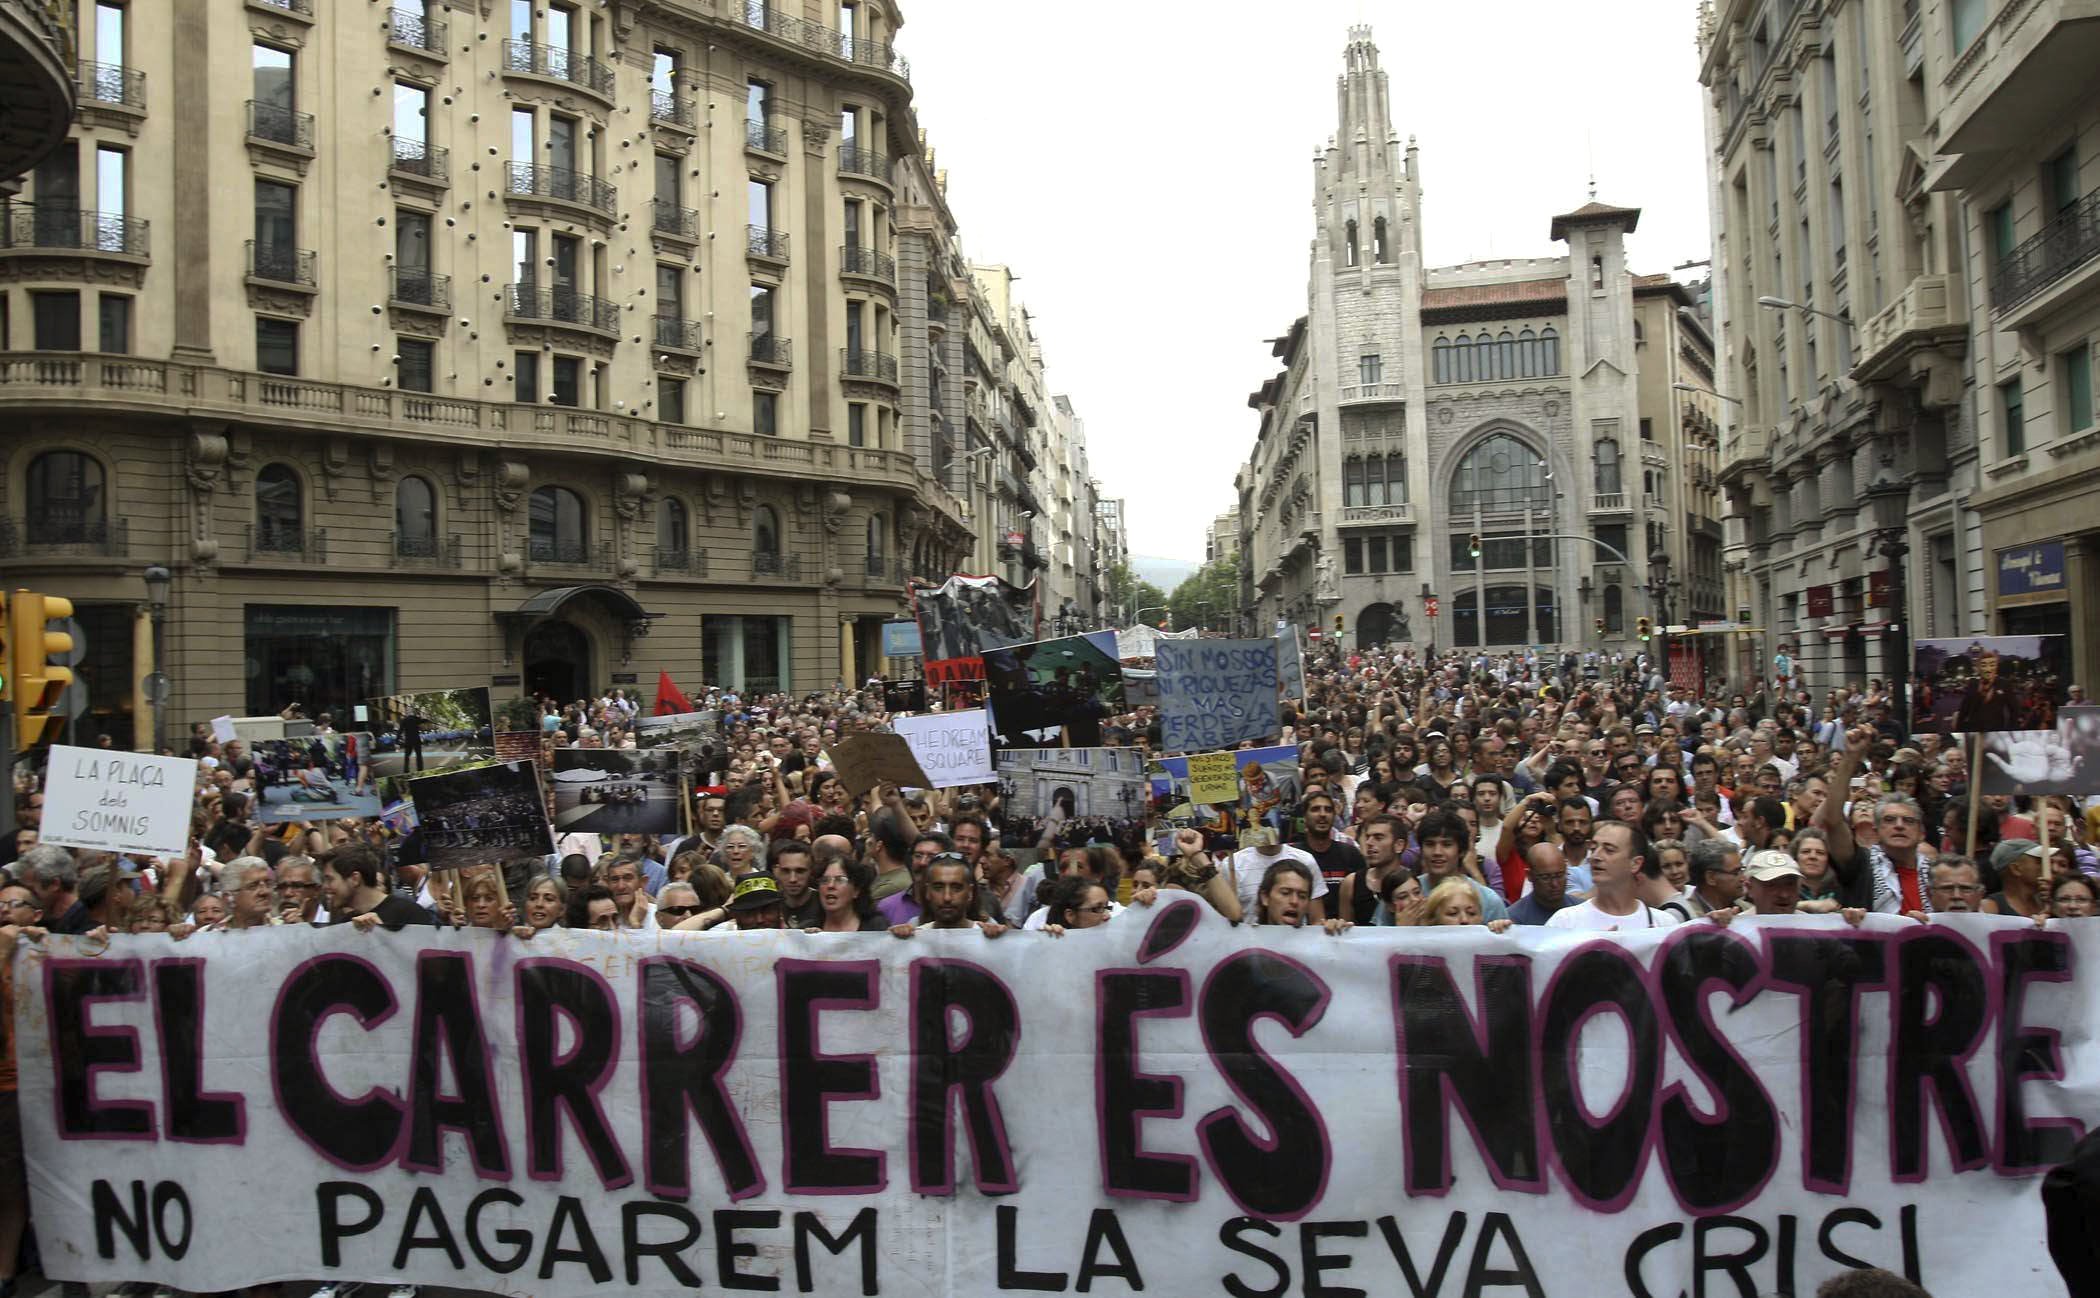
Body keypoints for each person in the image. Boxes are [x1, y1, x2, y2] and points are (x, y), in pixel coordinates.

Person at [1546, 822, 1682, 931]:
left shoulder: (1664, 924)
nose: (1595, 857)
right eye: (1593, 849)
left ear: (1635, 864)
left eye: (1609, 850)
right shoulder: (1564, 922)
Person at [322, 845, 434, 930]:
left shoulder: (409, 913)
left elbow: (428, 958)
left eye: (330, 879)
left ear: (355, 879)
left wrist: (382, 934)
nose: (325, 887)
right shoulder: (346, 924)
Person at [889, 857, 1006, 938]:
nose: (947, 897)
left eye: (956, 888)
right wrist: (895, 942)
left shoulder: (987, 935)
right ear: (927, 892)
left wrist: (1001, 941)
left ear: (970, 892)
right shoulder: (914, 936)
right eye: (938, 887)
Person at [1252, 858, 1349, 934]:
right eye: (1285, 893)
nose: (1294, 901)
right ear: (1265, 897)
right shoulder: (1246, 942)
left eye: (1302, 896)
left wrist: (1339, 937)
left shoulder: (1318, 942)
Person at [1665, 839, 1743, 922]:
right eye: (1736, 872)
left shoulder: (1747, 909)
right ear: (1711, 877)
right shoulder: (1682, 916)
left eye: (1742, 870)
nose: (1743, 879)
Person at [811, 857, 885, 932]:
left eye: (840, 880)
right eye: (824, 880)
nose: (830, 885)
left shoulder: (876, 927)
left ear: (856, 891)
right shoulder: (808, 929)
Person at [1506, 843, 1571, 925]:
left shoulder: (1581, 911)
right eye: (1545, 878)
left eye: (1559, 875)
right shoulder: (1514, 919)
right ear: (1529, 875)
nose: (1555, 884)